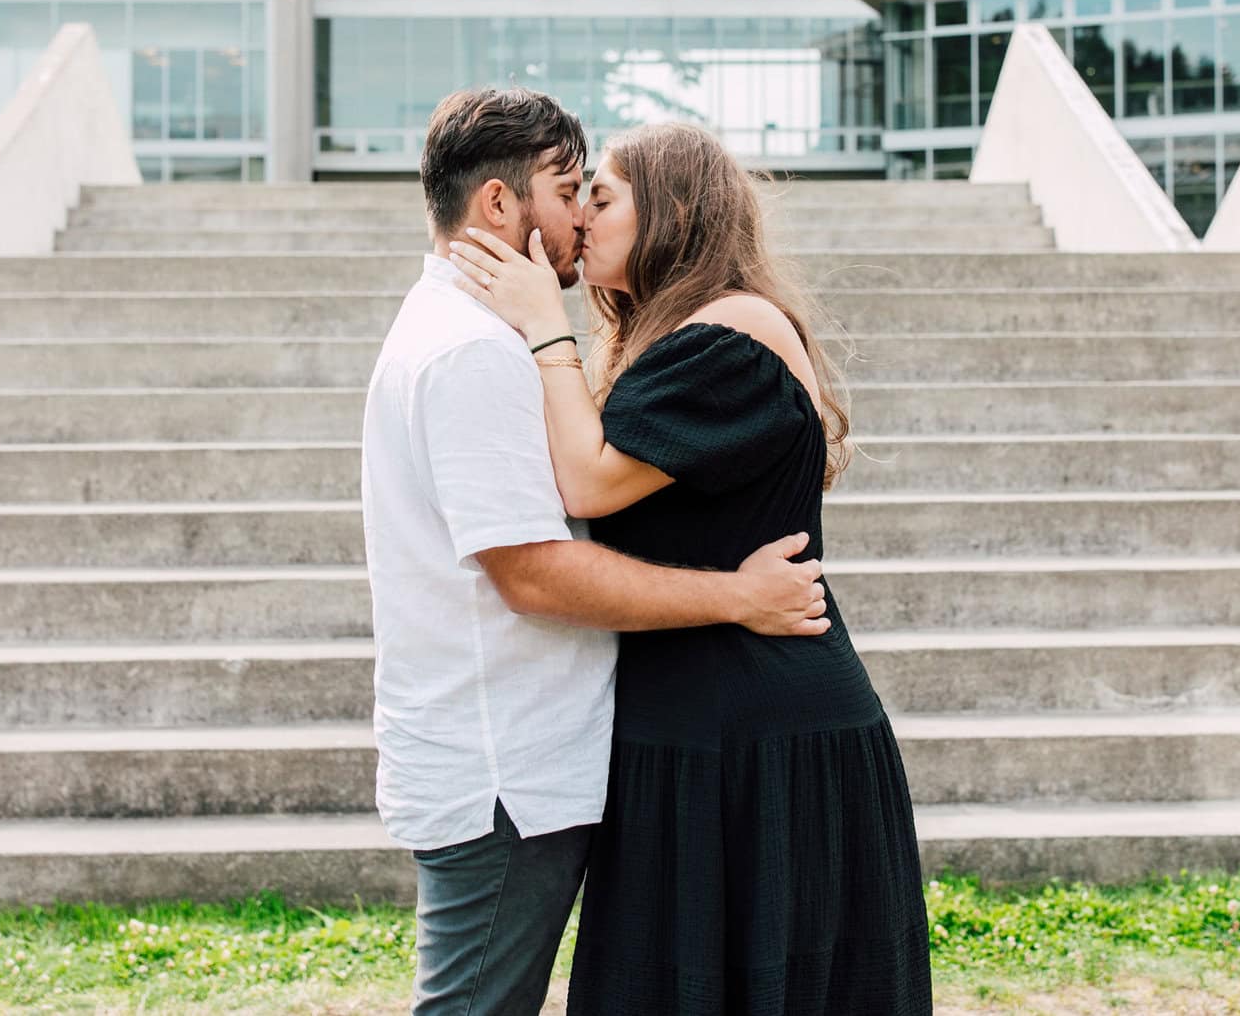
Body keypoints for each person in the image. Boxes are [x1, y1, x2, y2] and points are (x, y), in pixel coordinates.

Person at [362, 89, 835, 1016]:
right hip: (509, 768)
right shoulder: (473, 352)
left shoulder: (481, 336)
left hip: (559, 751)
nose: (581, 214)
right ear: (499, 206)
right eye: (570, 188)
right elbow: (535, 568)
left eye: (597, 194)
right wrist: (735, 598)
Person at [448, 120, 933, 1015]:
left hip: (757, 735)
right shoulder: (673, 335)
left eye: (603, 196)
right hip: (692, 716)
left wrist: (545, 330)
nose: (582, 219)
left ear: (671, 209)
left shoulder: (731, 332)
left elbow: (589, 482)